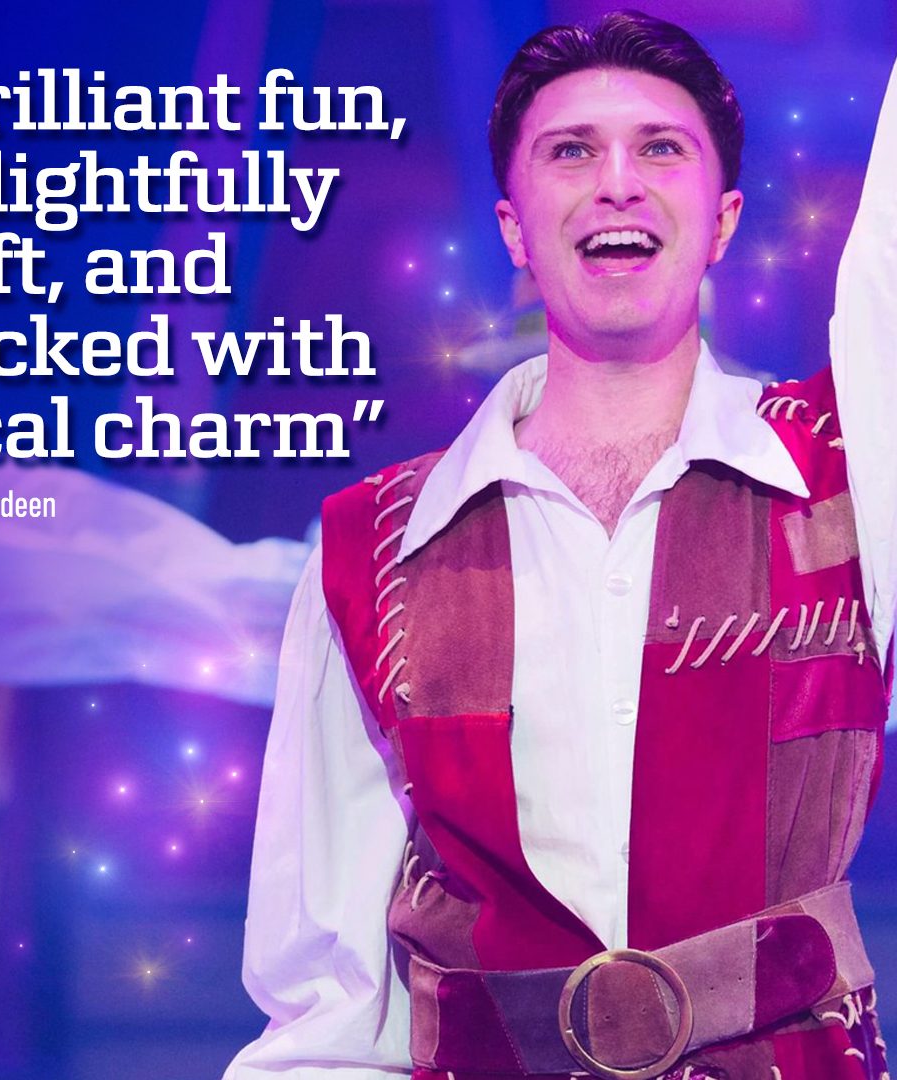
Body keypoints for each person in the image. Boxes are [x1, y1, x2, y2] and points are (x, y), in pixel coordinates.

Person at [225, 11, 896, 1080]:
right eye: (572, 151)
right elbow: (331, 1017)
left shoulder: (850, 476)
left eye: (660, 149)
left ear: (723, 221)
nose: (617, 182)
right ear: (513, 229)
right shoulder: (373, 550)